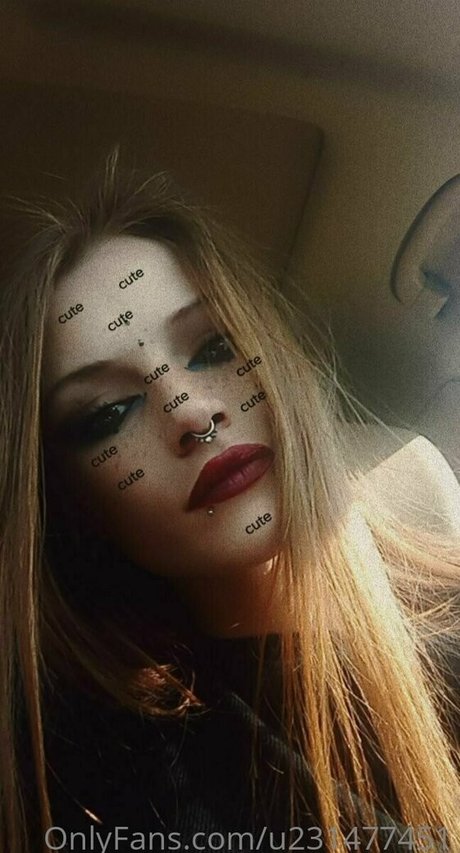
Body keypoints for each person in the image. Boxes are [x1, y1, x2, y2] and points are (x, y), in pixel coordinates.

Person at [1, 150, 460, 853]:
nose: (190, 413)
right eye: (108, 413)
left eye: (215, 346)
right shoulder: (117, 784)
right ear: (70, 505)